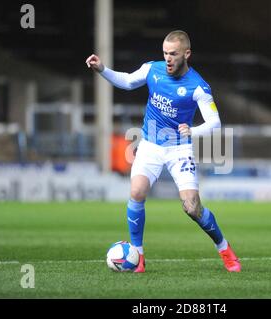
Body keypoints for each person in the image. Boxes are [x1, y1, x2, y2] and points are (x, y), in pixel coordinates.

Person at [86, 30, 241, 272]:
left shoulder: (198, 86)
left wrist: (193, 131)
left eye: (173, 54)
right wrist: (103, 69)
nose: (168, 58)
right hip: (149, 145)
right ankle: (138, 256)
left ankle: (224, 248)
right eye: (165, 53)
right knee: (136, 191)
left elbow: (215, 122)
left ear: (187, 54)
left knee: (192, 207)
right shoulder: (152, 70)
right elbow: (127, 81)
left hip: (179, 149)